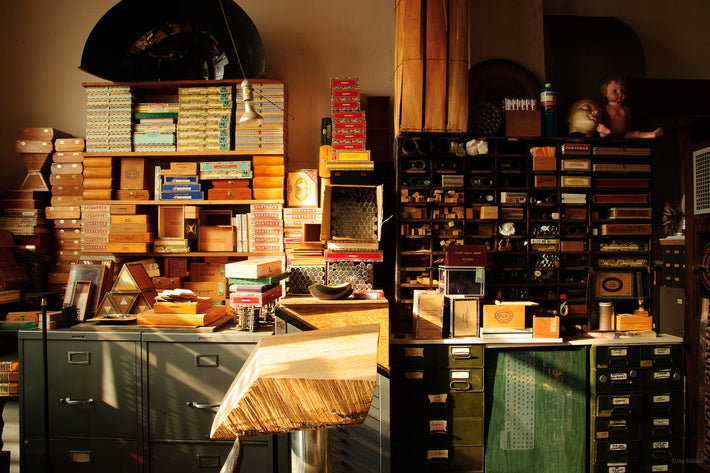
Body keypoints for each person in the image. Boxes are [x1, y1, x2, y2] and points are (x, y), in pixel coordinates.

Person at [597, 75, 663, 138]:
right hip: (609, 134)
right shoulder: (606, 108)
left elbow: (628, 125)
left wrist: (629, 132)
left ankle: (652, 134)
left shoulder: (626, 109)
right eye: (615, 91)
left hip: (624, 135)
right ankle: (604, 130)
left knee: (637, 134)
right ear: (605, 93)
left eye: (622, 91)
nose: (620, 94)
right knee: (602, 134)